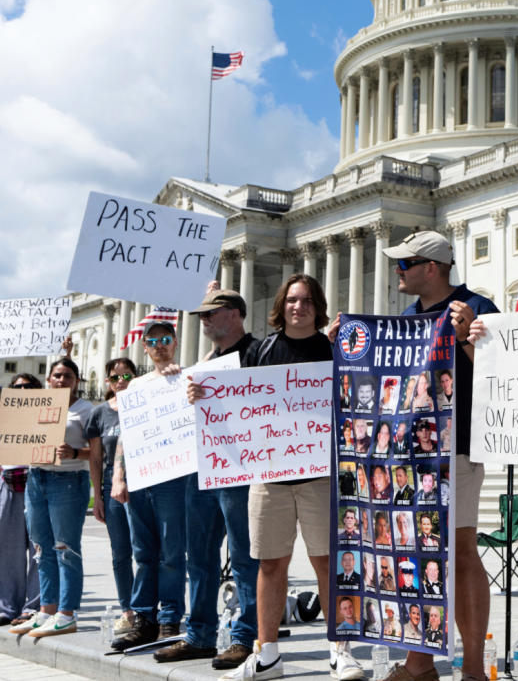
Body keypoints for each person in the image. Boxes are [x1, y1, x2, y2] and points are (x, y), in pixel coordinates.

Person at [198, 274, 361, 681]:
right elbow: (231, 399)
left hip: (320, 474)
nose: (298, 307)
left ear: (317, 306)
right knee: (270, 565)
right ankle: (267, 653)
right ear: (281, 305)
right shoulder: (260, 350)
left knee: (327, 563)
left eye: (306, 300)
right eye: (291, 300)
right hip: (269, 476)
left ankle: (340, 650)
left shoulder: (332, 350)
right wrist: (201, 396)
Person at [368, 229, 496, 681]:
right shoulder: (405, 316)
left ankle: (474, 670)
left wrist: (465, 340)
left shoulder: (476, 308)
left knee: (461, 552)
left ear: (431, 268)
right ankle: (419, 663)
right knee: (418, 553)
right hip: (410, 455)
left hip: (457, 448)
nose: (397, 271)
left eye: (404, 264)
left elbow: (503, 378)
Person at [159, 286, 260, 668]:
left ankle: (244, 637)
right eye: (200, 314)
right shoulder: (207, 362)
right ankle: (199, 635)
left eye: (210, 312)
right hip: (202, 468)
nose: (203, 319)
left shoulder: (256, 353)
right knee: (198, 557)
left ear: (234, 313)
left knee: (243, 556)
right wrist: (176, 379)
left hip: (240, 467)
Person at [110, 323, 190, 651]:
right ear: (145, 347)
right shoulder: (136, 386)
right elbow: (126, 436)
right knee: (143, 552)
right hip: (141, 476)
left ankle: (170, 616)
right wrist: (118, 476)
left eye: (165, 340)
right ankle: (143, 618)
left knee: (172, 552)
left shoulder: (185, 378)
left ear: (175, 342)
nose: (160, 346)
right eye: (153, 341)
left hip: (172, 477)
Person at [8, 358, 92, 638]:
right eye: (56, 375)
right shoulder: (37, 405)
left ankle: (67, 613)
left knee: (65, 548)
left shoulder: (84, 410)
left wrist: (75, 453)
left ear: (76, 381)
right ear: (48, 379)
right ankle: (46, 609)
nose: (60, 380)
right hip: (37, 477)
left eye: (67, 376)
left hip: (67, 480)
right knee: (41, 549)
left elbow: (98, 453)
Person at [84, 357, 138, 639]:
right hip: (110, 486)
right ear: (108, 381)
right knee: (121, 553)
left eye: (127, 376)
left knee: (148, 551)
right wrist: (98, 496)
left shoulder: (145, 405)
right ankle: (128, 609)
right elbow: (95, 458)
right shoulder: (100, 414)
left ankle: (149, 609)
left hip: (144, 484)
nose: (121, 382)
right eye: (116, 377)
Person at [0, 374, 41, 629]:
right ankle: (7, 606)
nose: (23, 390)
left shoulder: (48, 414)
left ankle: (33, 606)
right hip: (8, 485)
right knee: (8, 552)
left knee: (39, 551)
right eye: (17, 387)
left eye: (28, 386)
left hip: (38, 486)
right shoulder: (4, 416)